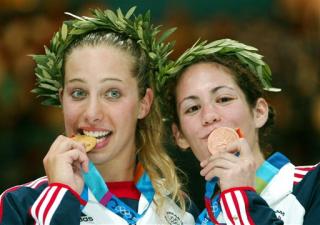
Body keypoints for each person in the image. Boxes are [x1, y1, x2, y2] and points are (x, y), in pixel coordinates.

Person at [0, 7, 196, 224]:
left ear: (144, 103)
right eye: (78, 93)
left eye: (112, 93)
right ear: (62, 99)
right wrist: (60, 198)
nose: (92, 113)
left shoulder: (181, 209)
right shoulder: (17, 206)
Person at [157, 38, 320, 224]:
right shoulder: (189, 219)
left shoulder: (313, 185)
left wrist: (239, 195)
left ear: (258, 112)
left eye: (224, 99)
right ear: (180, 136)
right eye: (192, 108)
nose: (209, 116)